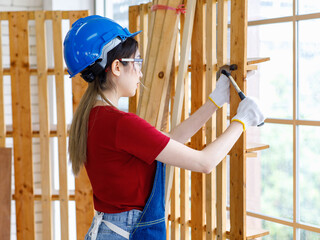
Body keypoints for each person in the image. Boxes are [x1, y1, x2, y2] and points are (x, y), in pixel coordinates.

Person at [64, 15, 265, 240]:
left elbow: (170, 139)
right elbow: (204, 162)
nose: (140, 72)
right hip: (129, 233)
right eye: (137, 62)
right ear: (117, 67)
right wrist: (242, 121)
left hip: (108, 231)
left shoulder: (93, 117)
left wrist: (215, 102)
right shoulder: (121, 123)